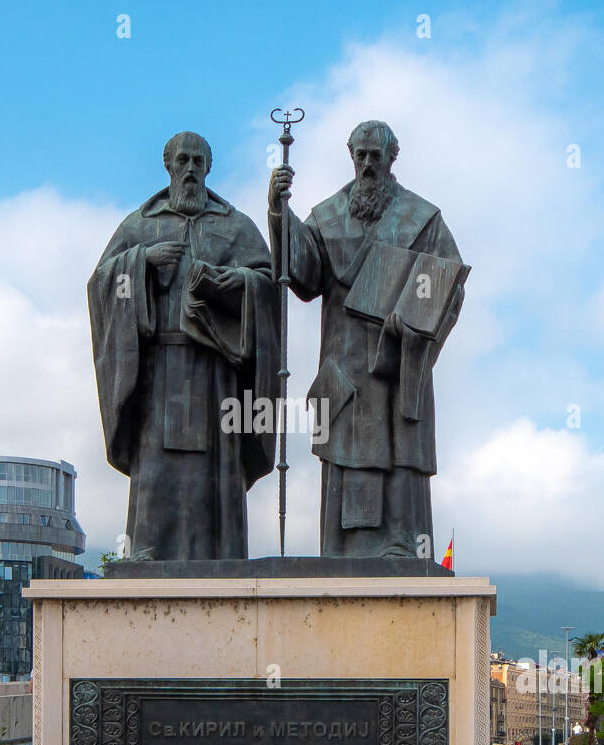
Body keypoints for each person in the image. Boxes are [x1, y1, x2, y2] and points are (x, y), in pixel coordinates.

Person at [269, 119, 466, 557]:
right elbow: (303, 276)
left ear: (393, 157)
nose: (368, 163)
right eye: (361, 154)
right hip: (344, 363)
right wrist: (280, 215)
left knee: (399, 453)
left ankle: (400, 544)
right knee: (346, 453)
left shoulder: (422, 217)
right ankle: (343, 552)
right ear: (350, 155)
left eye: (376, 155)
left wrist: (411, 322)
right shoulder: (325, 216)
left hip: (398, 362)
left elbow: (448, 279)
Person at [88, 131, 278, 560]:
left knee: (217, 474)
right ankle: (148, 559)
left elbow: (269, 284)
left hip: (216, 376)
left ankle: (221, 558)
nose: (190, 170)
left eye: (198, 161)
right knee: (156, 473)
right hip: (159, 373)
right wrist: (141, 263)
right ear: (167, 164)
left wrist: (241, 282)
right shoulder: (140, 225)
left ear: (209, 167)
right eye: (182, 161)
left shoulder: (235, 225)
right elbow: (101, 285)